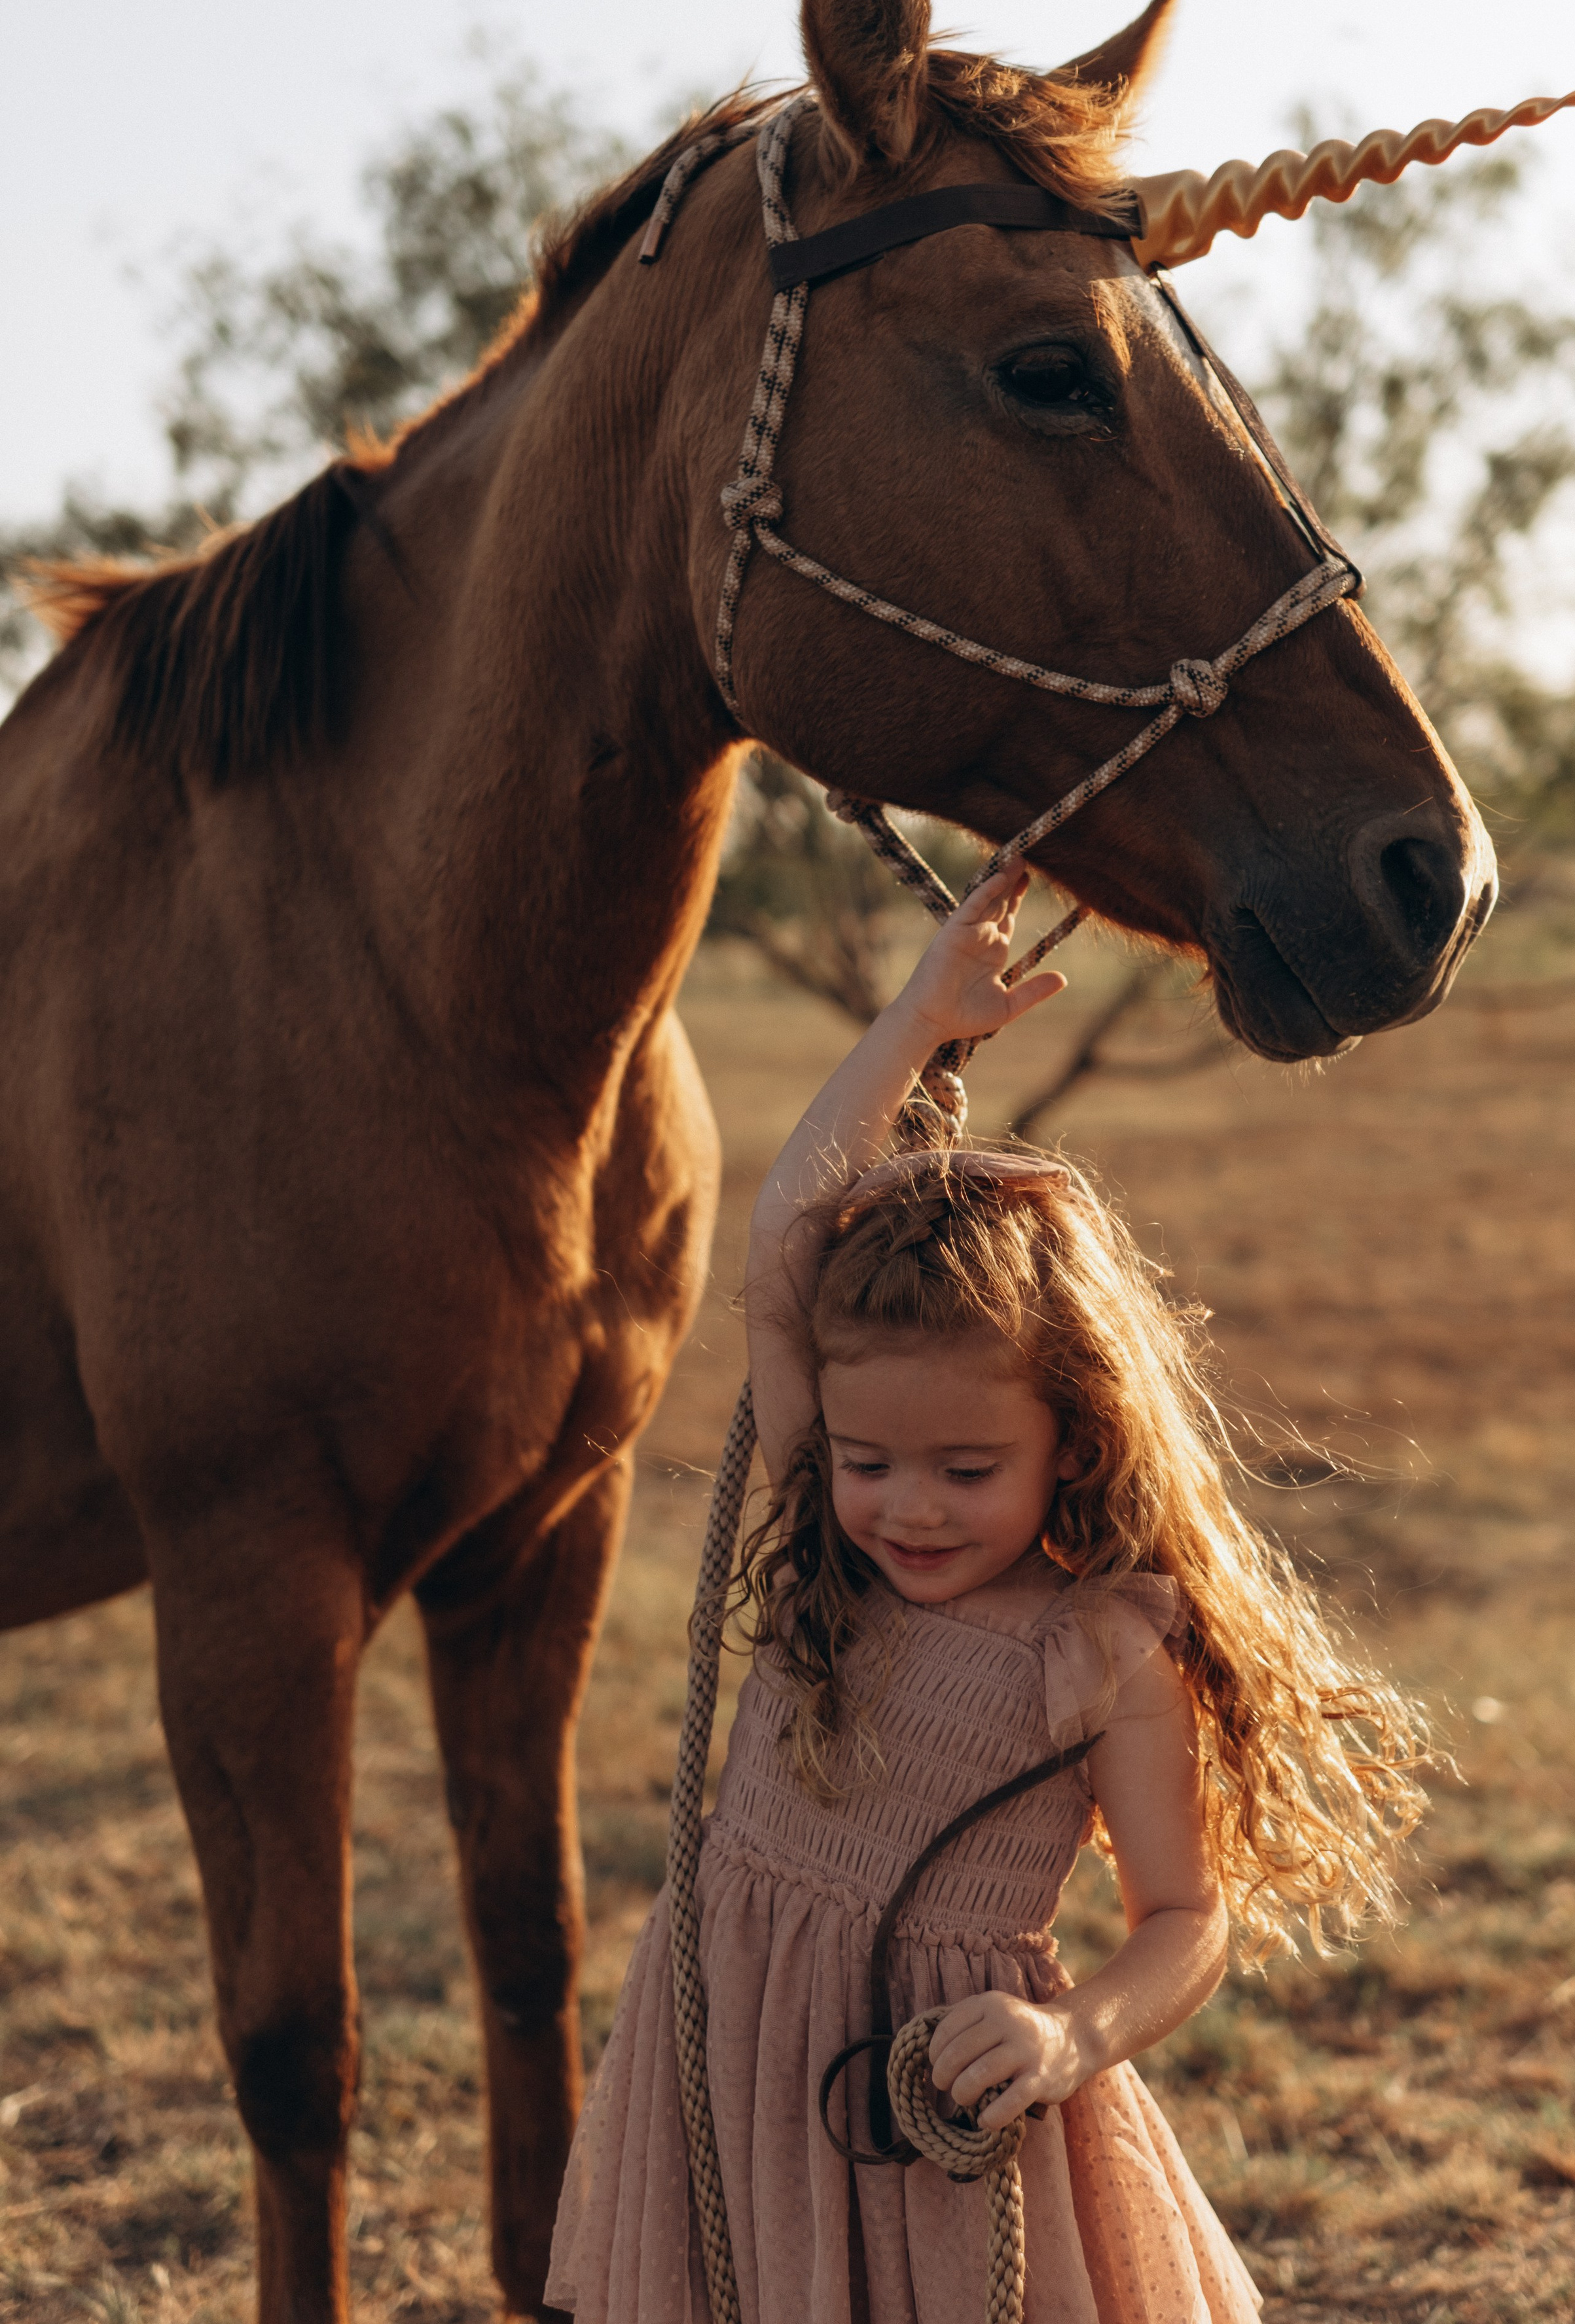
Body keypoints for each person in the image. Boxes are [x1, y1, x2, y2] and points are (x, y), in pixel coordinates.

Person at [548, 866, 1428, 2324]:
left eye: (966, 1469)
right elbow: (782, 1249)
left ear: (1068, 1443)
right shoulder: (827, 1549)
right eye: (874, 1461)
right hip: (738, 2048)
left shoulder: (1097, 1649)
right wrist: (916, 1021)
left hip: (937, 2088)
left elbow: (1180, 1915)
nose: (907, 1506)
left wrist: (1071, 2032)